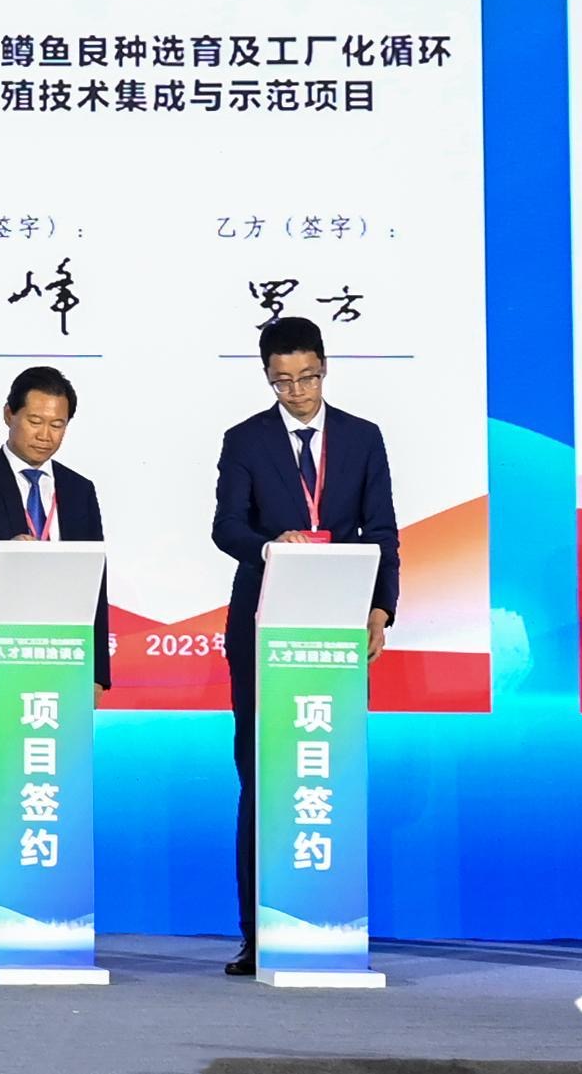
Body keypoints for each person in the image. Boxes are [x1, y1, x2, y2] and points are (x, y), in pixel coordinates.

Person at [211, 316, 397, 977]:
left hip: (336, 625)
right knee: (263, 775)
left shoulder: (362, 437)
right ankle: (257, 935)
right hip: (263, 621)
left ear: (324, 367)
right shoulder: (245, 440)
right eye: (283, 381)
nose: (297, 391)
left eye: (307, 377)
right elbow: (225, 526)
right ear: (267, 376)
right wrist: (271, 545)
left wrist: (381, 607)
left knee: (324, 771)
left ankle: (327, 923)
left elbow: (382, 529)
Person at [0, 363, 111, 975]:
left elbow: (96, 577)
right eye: (35, 420)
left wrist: (97, 667)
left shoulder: (79, 490)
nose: (45, 434)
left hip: (57, 666)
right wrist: (10, 549)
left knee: (49, 791)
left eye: (57, 424)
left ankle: (48, 920)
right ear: (9, 415)